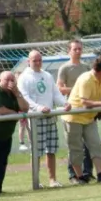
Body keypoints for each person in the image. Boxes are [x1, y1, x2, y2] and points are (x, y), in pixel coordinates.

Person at [62, 56, 101, 184]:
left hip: (89, 118)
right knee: (76, 148)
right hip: (74, 118)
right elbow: (84, 103)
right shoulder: (86, 79)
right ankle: (80, 177)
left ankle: (100, 175)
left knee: (96, 145)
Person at [18, 50, 71, 188]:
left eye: (39, 60)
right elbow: (24, 98)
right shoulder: (24, 77)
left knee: (51, 149)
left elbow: (55, 93)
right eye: (34, 60)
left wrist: (64, 103)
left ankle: (52, 180)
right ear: (28, 61)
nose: (37, 62)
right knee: (36, 151)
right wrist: (39, 108)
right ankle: (36, 181)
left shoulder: (47, 75)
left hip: (50, 116)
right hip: (35, 118)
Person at [0, 71, 29, 194]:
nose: (10, 82)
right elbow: (0, 111)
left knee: (2, 163)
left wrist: (17, 94)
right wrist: (16, 114)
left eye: (12, 80)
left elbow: (25, 108)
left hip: (6, 135)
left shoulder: (15, 92)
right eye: (7, 80)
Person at [57, 39, 93, 182]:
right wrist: (77, 90)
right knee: (74, 144)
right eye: (75, 49)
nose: (78, 51)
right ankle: (73, 175)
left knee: (89, 143)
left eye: (80, 49)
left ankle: (88, 172)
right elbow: (59, 88)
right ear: (69, 51)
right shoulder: (64, 68)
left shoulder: (86, 67)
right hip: (71, 109)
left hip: (86, 109)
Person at [15, 70, 30, 151]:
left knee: (29, 126)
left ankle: (31, 142)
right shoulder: (15, 88)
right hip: (21, 110)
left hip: (28, 108)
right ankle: (21, 143)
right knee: (22, 126)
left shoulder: (25, 85)